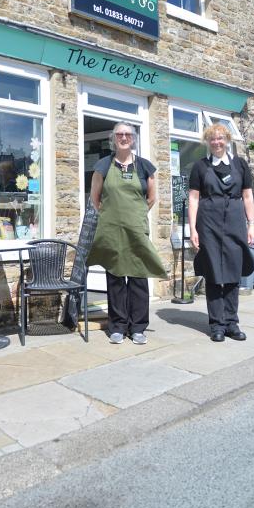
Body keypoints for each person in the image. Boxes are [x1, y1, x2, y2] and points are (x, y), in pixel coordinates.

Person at [87, 121, 167, 345]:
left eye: (128, 134)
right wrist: (110, 214)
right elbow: (95, 197)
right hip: (111, 230)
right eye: (119, 134)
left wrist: (136, 215)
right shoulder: (103, 165)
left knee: (138, 277)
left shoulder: (145, 167)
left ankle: (138, 327)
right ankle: (117, 326)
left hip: (136, 230)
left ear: (133, 139)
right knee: (115, 278)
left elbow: (151, 198)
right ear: (114, 139)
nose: (123, 138)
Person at [188, 124, 254, 342]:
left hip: (235, 223)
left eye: (220, 138)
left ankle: (232, 323)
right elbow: (194, 198)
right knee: (214, 273)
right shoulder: (200, 166)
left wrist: (251, 224)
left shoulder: (240, 164)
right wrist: (193, 228)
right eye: (212, 139)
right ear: (208, 142)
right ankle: (216, 324)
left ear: (227, 139)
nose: (216, 142)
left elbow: (247, 196)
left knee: (234, 272)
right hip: (209, 224)